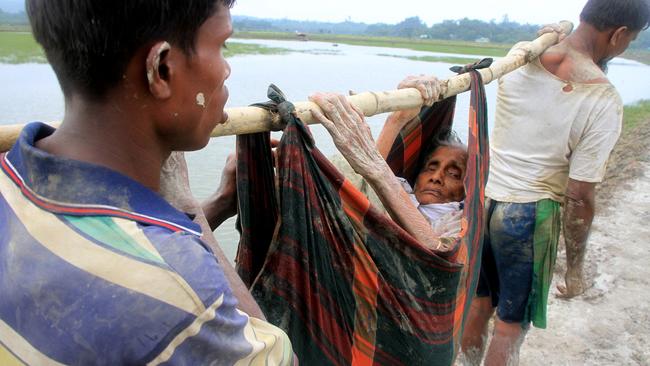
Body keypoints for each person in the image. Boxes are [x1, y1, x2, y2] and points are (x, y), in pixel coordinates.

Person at [0, 1, 294, 364]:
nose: (226, 69)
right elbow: (279, 359)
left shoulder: (7, 181)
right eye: (222, 47)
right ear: (162, 69)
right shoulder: (180, 286)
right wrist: (191, 212)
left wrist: (217, 203)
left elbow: (97, 242)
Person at [460, 1, 650, 365]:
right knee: (510, 326)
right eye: (631, 39)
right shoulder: (601, 96)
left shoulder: (521, 57)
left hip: (486, 200)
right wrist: (575, 268)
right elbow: (579, 196)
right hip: (529, 217)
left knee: (479, 305)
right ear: (620, 34)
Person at [309, 74, 467, 252]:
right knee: (342, 167)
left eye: (454, 174)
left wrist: (377, 170)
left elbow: (437, 252)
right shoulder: (402, 188)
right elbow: (363, 178)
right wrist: (397, 118)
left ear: (466, 189)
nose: (436, 178)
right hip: (343, 239)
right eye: (431, 168)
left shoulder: (459, 222)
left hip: (386, 265)